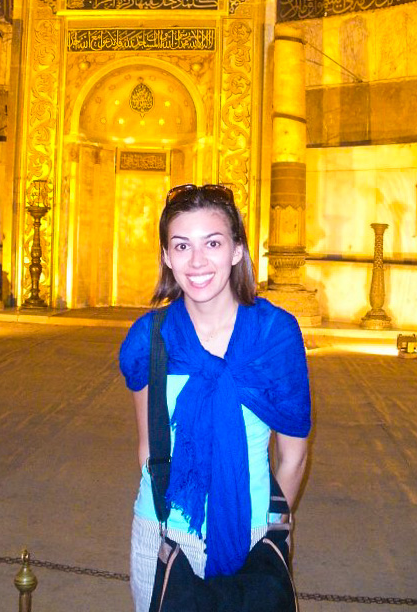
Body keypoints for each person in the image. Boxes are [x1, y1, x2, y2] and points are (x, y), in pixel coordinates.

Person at [119, 184, 311, 612]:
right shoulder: (148, 338)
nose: (198, 261)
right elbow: (149, 447)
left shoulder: (274, 336)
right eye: (182, 245)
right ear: (167, 257)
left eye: (213, 242)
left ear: (237, 250)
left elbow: (293, 457)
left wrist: (271, 525)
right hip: (163, 532)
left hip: (255, 532)